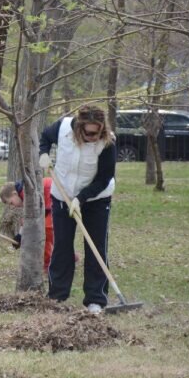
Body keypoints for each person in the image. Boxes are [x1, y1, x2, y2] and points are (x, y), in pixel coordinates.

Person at [39, 104, 116, 315]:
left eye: (98, 132)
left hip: (96, 200)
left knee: (95, 247)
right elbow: (45, 137)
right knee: (62, 245)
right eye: (90, 133)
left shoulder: (107, 142)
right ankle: (57, 296)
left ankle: (95, 299)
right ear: (79, 128)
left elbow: (104, 178)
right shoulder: (63, 128)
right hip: (62, 195)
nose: (94, 137)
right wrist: (44, 154)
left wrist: (81, 198)